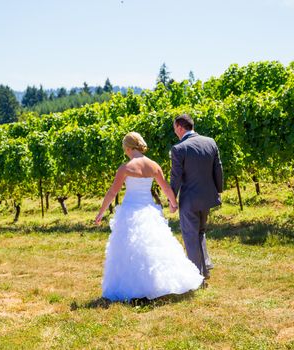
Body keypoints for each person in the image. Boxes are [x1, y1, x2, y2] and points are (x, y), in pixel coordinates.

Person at [95, 132, 203, 302]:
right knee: (155, 247)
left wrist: (101, 212)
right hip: (149, 209)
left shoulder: (125, 168)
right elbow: (166, 187)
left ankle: (135, 287)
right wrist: (173, 203)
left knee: (130, 250)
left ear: (129, 148)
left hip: (130, 210)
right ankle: (157, 284)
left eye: (125, 148)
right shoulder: (154, 165)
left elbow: (112, 192)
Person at [170, 114, 223, 280]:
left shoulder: (179, 148)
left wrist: (172, 200)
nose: (175, 132)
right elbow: (218, 169)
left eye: (175, 129)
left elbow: (176, 177)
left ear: (180, 127)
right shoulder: (210, 142)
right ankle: (205, 267)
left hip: (190, 199)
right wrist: (218, 190)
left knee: (190, 236)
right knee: (200, 232)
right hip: (207, 196)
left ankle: (195, 275)